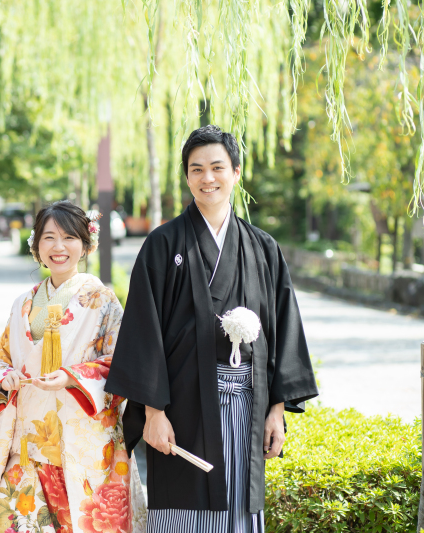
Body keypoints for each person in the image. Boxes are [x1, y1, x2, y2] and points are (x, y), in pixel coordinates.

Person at [105, 125, 319, 532]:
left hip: (247, 405)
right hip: (182, 406)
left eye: (217, 167)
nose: (208, 178)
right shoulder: (163, 245)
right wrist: (153, 412)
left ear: (236, 172)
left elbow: (281, 331)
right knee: (182, 505)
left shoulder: (262, 248)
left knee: (238, 505)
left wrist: (277, 409)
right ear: (187, 176)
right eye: (196, 169)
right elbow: (143, 331)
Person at [0, 201, 147, 533]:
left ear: (85, 245)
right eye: (49, 237)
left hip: (85, 445)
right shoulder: (22, 303)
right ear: (36, 246)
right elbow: (1, 358)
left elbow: (125, 365)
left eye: (69, 238)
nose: (58, 247)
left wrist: (72, 378)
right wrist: (5, 376)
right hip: (28, 448)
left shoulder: (102, 300)